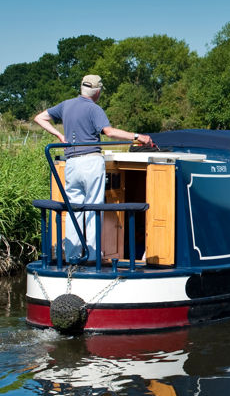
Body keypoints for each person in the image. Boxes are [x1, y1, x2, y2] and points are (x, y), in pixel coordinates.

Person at [33, 75, 152, 262]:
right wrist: (138, 136)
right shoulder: (94, 109)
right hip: (91, 162)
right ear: (97, 91)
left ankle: (72, 256)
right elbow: (109, 132)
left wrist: (59, 135)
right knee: (94, 208)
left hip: (71, 163)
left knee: (74, 209)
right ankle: (92, 256)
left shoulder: (66, 105)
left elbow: (39, 118)